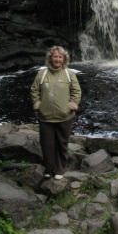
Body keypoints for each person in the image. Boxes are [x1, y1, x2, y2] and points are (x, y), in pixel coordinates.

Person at [30, 45, 81, 180]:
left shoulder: (69, 74)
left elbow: (76, 91)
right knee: (47, 144)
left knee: (62, 143)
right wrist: (37, 103)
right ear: (50, 58)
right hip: (45, 116)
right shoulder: (42, 74)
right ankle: (48, 168)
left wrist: (73, 103)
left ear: (64, 59)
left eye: (60, 57)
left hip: (65, 116)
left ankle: (60, 169)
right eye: (55, 57)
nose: (57, 59)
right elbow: (34, 90)